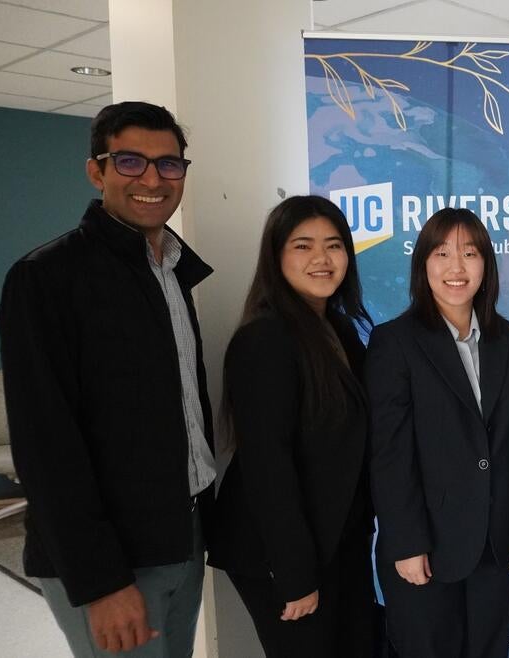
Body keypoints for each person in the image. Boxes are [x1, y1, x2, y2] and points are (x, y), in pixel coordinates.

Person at [0, 101, 214, 656]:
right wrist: (102, 583)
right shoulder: (45, 279)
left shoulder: (169, 269)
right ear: (97, 171)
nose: (152, 179)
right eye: (130, 161)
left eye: (169, 165)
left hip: (181, 538)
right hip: (112, 561)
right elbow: (46, 448)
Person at [208, 195, 376, 657]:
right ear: (276, 255)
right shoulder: (265, 338)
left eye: (334, 245)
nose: (321, 259)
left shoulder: (340, 331)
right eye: (303, 246)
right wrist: (295, 575)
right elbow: (268, 466)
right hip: (281, 553)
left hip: (336, 540)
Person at [365, 208, 509, 657]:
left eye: (469, 253)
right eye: (441, 253)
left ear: (487, 265)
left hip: (495, 543)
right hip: (425, 544)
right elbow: (389, 453)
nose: (456, 267)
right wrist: (405, 541)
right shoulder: (395, 341)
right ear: (423, 263)